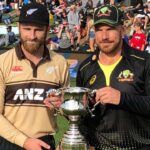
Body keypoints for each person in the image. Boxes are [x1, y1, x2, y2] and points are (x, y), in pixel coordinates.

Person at [77, 4, 150, 150]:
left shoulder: (144, 62)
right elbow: (82, 118)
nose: (104, 36)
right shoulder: (85, 68)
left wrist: (122, 98)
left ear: (122, 30)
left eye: (110, 29)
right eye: (99, 30)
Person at [0, 2, 69, 150]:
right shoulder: (2, 62)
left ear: (47, 30)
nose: (32, 36)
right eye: (27, 29)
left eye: (38, 30)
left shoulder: (60, 62)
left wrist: (63, 104)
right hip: (9, 141)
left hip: (44, 143)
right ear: (19, 28)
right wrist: (24, 141)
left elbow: (68, 110)